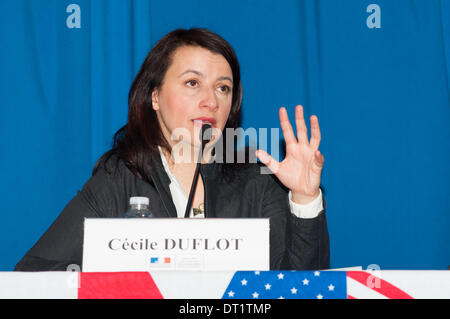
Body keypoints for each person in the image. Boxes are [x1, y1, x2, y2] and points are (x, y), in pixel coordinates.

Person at [15, 28, 329, 271]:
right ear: (154, 97)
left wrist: (304, 199)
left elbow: (303, 286)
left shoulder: (260, 178)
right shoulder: (120, 177)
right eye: (193, 83)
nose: (211, 100)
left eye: (223, 88)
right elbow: (35, 272)